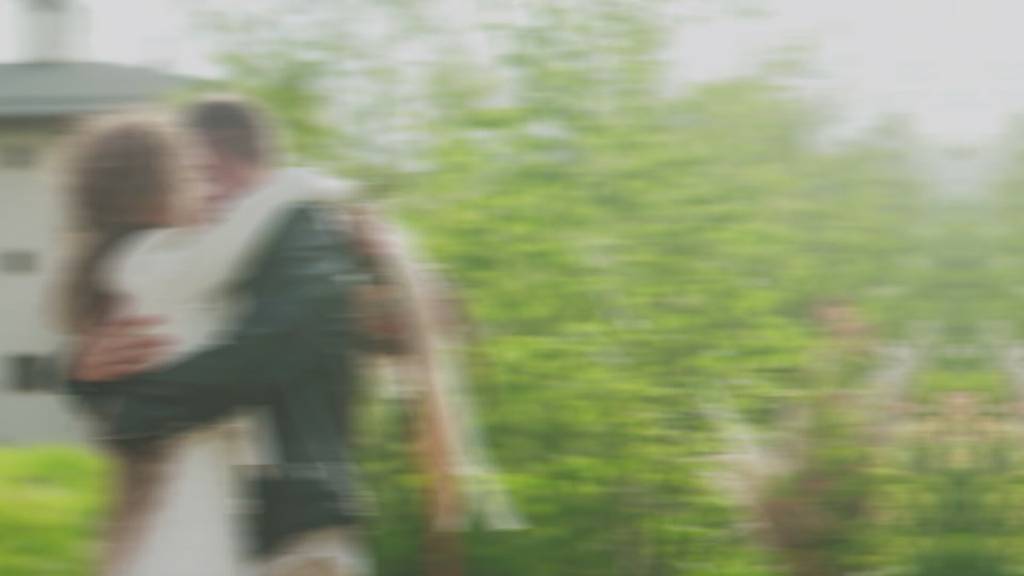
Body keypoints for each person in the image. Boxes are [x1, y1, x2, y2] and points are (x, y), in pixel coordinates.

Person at [65, 99, 371, 576]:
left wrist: (123, 405)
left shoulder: (301, 235)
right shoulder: (160, 256)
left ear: (227, 162)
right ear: (154, 190)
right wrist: (82, 377)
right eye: (192, 175)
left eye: (205, 174)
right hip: (213, 483)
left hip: (295, 521)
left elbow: (264, 356)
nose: (205, 192)